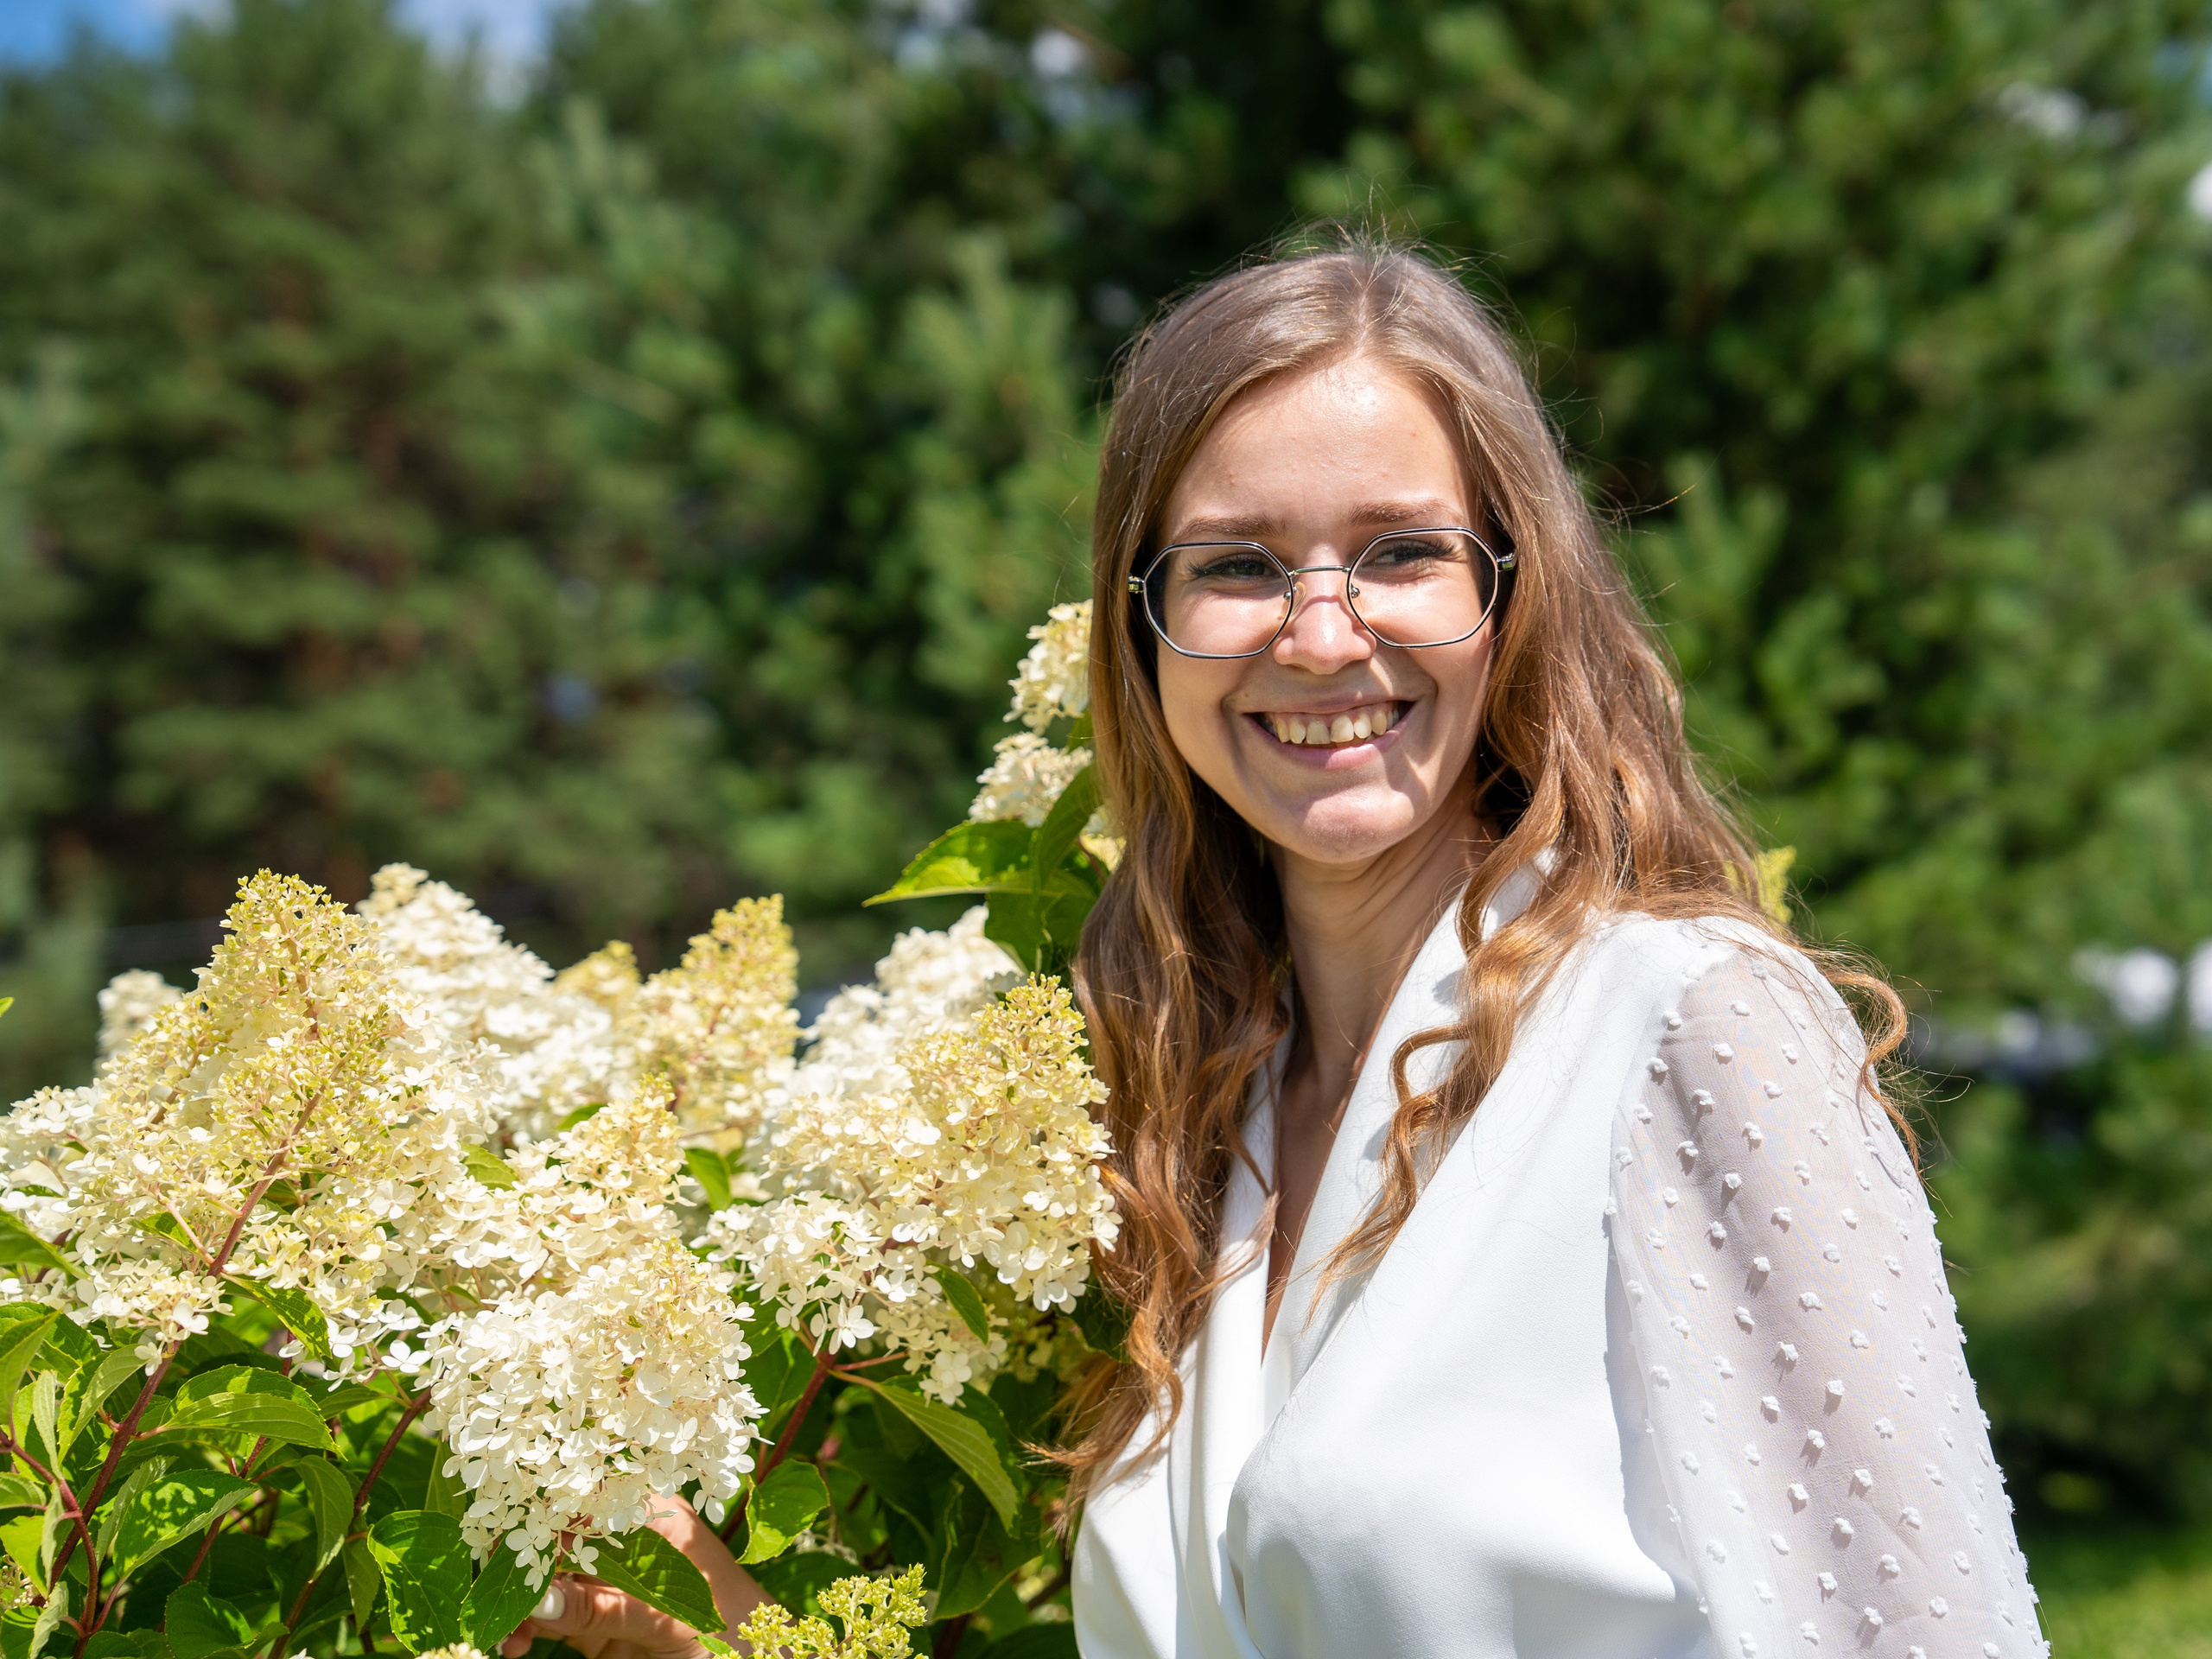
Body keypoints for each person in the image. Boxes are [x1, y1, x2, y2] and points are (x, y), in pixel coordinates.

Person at [502, 241, 2044, 1659]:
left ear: (1514, 594)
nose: (1319, 634)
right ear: (1144, 629)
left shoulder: (1693, 1027)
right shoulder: (1194, 1124)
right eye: (1237, 565)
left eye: (1398, 553)